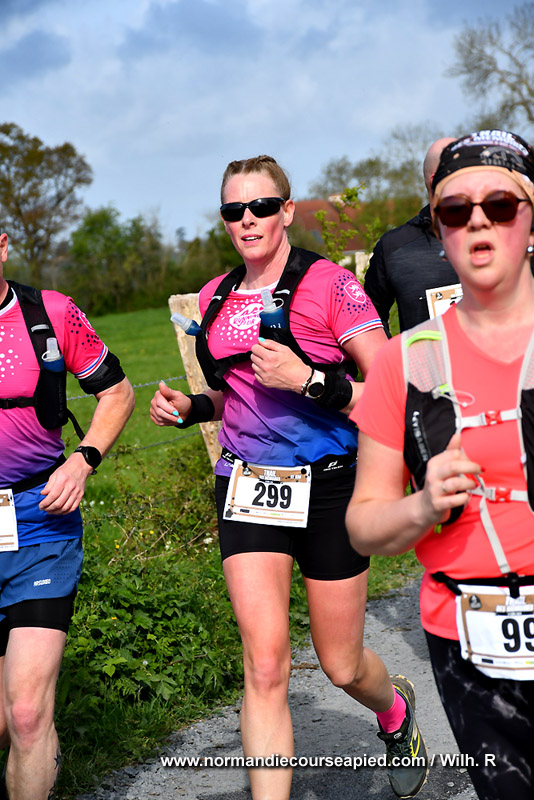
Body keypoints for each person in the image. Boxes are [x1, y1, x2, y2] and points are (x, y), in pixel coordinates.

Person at [150, 155, 427, 799]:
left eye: (261, 207)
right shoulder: (216, 297)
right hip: (248, 485)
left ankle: (393, 708)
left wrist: (307, 380)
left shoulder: (330, 285)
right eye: (234, 210)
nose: (247, 220)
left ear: (287, 211)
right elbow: (231, 395)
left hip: (330, 487)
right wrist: (190, 408)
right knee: (266, 664)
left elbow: (392, 392)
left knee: (340, 665)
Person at [346, 129, 534, 800]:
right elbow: (364, 524)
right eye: (454, 209)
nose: (477, 220)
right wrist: (422, 505)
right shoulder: (407, 360)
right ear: (438, 227)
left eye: (500, 205)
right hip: (467, 639)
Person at [0, 231, 135, 800]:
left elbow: (118, 393)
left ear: (2, 246)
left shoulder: (49, 314)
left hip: (40, 523)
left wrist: (82, 461)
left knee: (27, 713)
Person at [364, 137, 460, 335]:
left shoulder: (497, 234)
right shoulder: (393, 247)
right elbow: (369, 321)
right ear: (436, 181)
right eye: (464, 173)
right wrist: (395, 354)